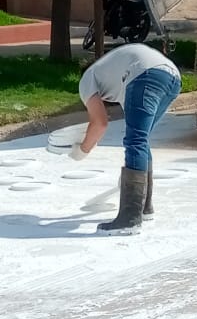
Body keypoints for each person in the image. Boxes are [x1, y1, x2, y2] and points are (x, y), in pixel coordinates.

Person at [71, 42, 182, 235]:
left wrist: (81, 151)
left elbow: (99, 123)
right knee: (141, 139)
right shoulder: (117, 77)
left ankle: (129, 218)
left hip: (146, 73)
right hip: (172, 76)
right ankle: (144, 207)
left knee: (136, 140)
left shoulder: (87, 78)